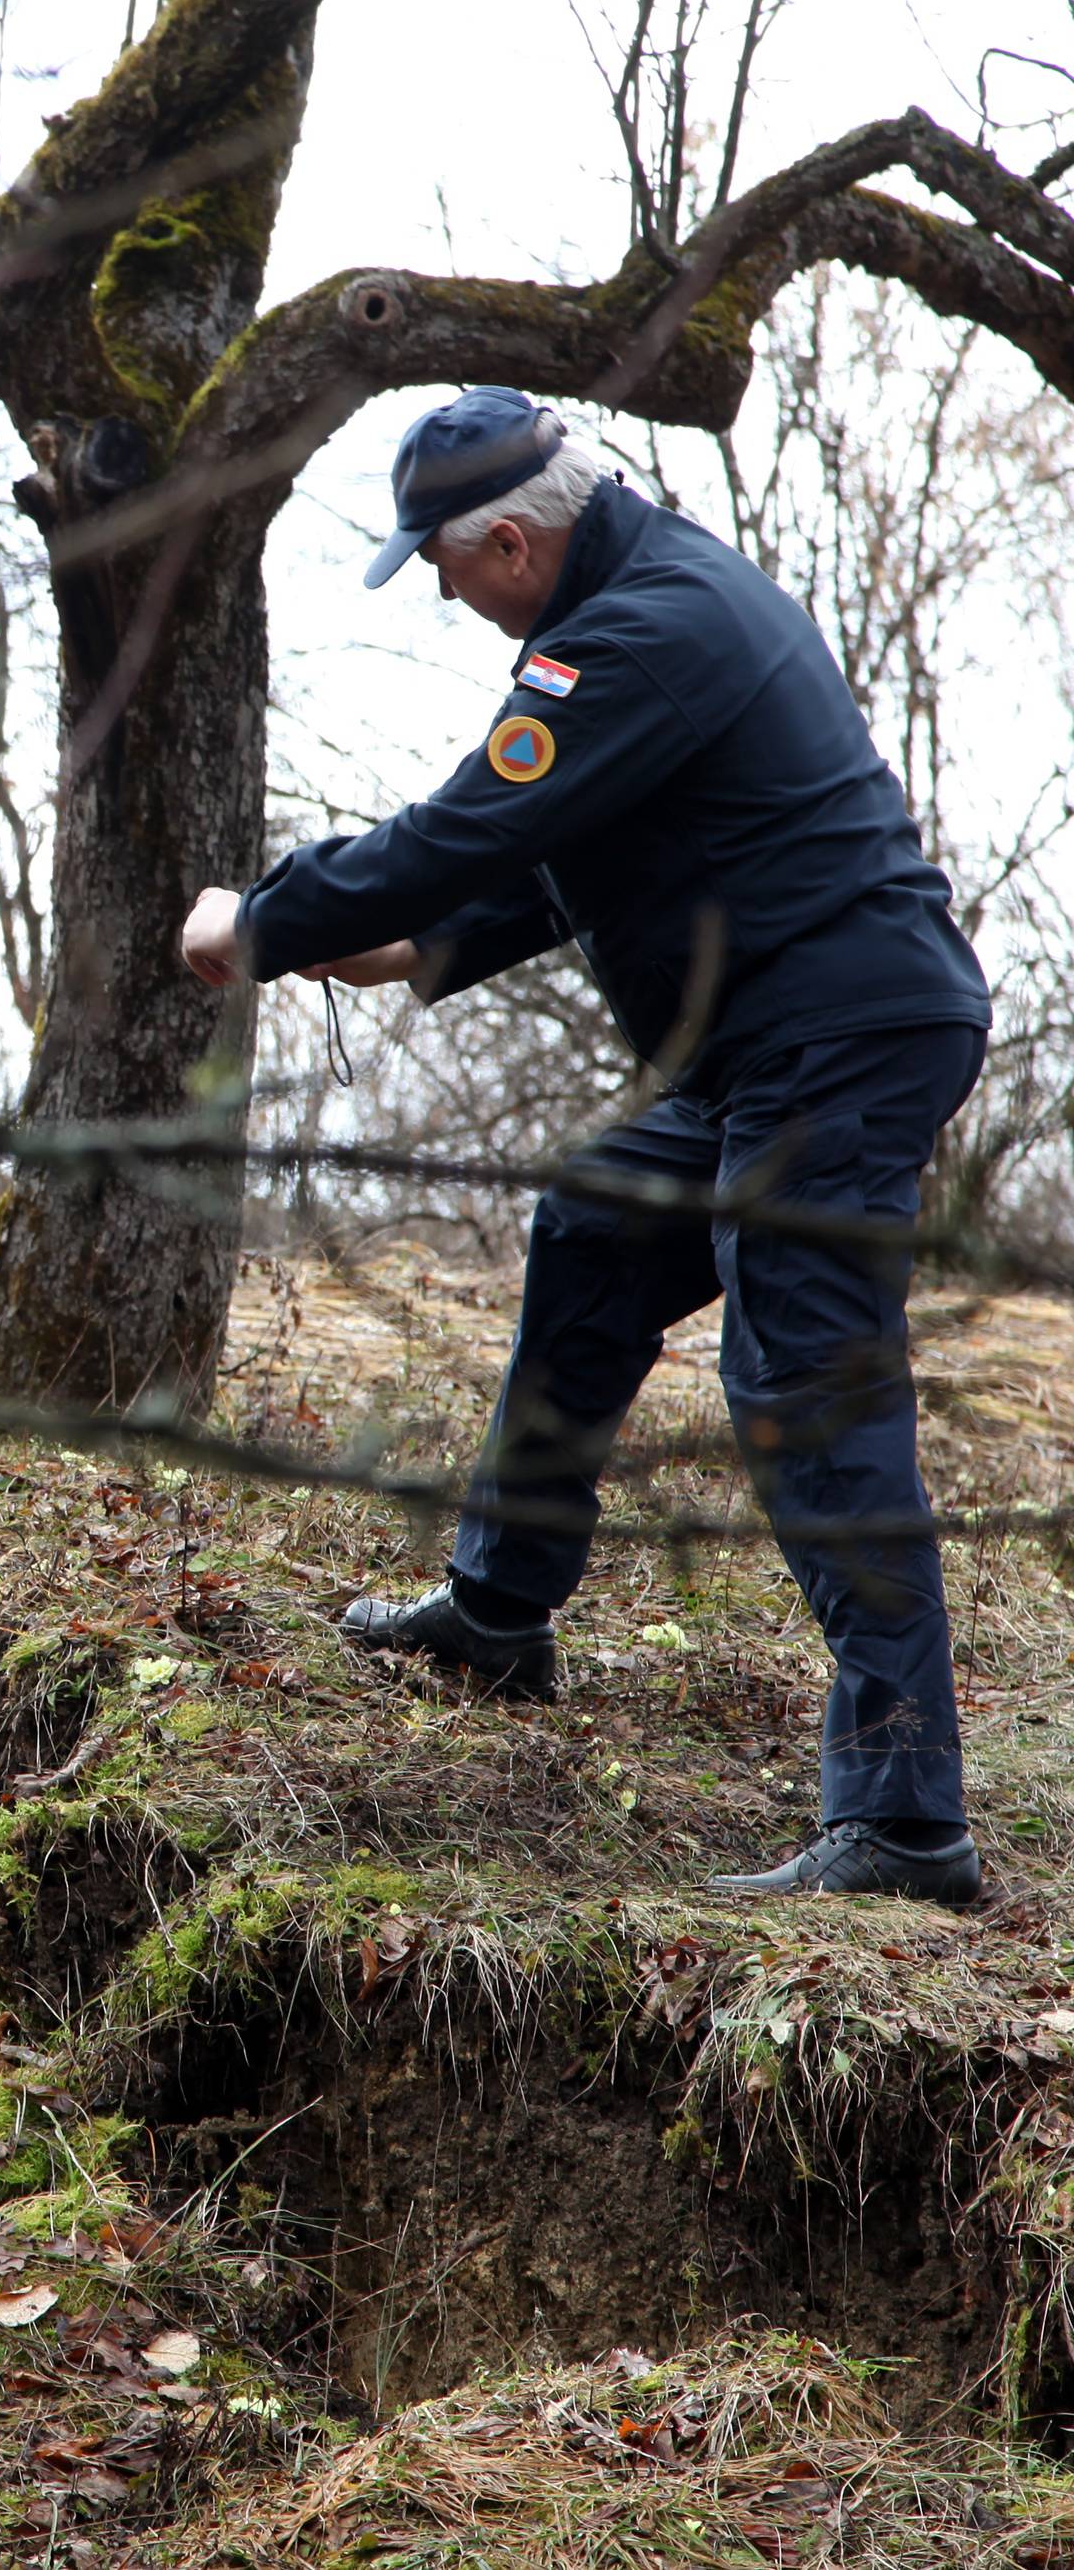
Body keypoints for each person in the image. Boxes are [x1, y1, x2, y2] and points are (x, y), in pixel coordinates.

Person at [180, 386, 992, 1908]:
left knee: (802, 1379)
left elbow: (477, 821)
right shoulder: (649, 598)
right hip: (778, 1036)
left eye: (439, 560)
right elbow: (577, 856)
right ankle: (499, 1608)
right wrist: (423, 947)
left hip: (841, 1035)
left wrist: (272, 919)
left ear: (508, 542)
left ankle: (904, 1818)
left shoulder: (637, 632)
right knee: (598, 1226)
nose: (436, 586)